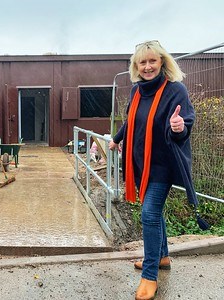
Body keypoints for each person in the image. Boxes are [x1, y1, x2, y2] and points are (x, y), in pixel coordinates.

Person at [109, 40, 196, 300]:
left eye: (152, 61)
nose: (147, 67)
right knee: (153, 211)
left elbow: (184, 123)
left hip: (162, 165)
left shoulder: (175, 90)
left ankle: (149, 275)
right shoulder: (137, 91)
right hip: (140, 164)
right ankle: (163, 258)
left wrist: (179, 127)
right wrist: (116, 138)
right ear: (136, 66)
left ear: (162, 62)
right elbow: (132, 120)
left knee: (148, 213)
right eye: (142, 62)